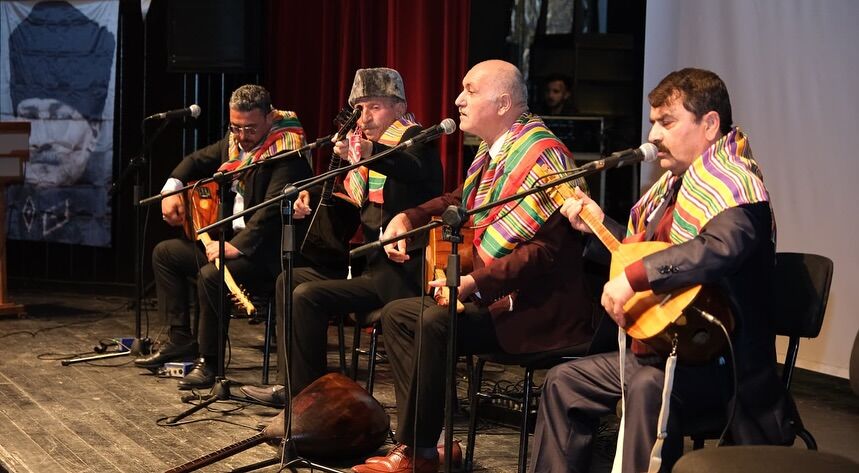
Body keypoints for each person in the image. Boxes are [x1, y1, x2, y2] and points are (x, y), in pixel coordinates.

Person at [529, 68, 799, 473]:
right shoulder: (670, 189)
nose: (653, 135)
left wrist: (635, 278)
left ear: (710, 124)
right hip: (662, 350)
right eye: (653, 122)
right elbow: (643, 252)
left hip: (720, 368)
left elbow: (716, 249)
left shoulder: (740, 190)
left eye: (667, 122)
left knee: (646, 386)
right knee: (564, 382)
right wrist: (598, 227)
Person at [350, 60, 595, 473]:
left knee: (433, 321)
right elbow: (458, 199)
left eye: (470, 90)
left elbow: (545, 252)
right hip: (494, 294)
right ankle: (427, 445)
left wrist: (475, 283)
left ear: (503, 103)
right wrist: (409, 216)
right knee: (398, 315)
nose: (458, 100)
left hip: (534, 307)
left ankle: (419, 454)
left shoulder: (542, 156)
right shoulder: (493, 151)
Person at [239, 68, 443, 407]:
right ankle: (293, 388)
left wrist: (368, 151)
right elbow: (348, 198)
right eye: (360, 108)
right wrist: (310, 194)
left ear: (400, 107)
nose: (365, 117)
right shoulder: (361, 153)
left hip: (401, 277)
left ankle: (309, 399)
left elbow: (409, 167)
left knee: (308, 295)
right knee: (290, 280)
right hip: (365, 267)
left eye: (375, 107)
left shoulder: (417, 140)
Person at [133, 84, 313, 390]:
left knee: (211, 275)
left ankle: (210, 363)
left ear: (270, 117)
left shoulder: (287, 150)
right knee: (166, 254)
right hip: (230, 243)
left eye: (249, 129)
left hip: (267, 254)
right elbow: (195, 161)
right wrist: (171, 188)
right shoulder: (234, 143)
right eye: (235, 127)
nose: (241, 136)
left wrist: (236, 248)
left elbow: (270, 212)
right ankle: (180, 338)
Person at [4, 0, 116, 246]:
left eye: (59, 118)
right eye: (31, 116)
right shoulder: (9, 214)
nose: (40, 138)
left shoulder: (94, 226)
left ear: (94, 131)